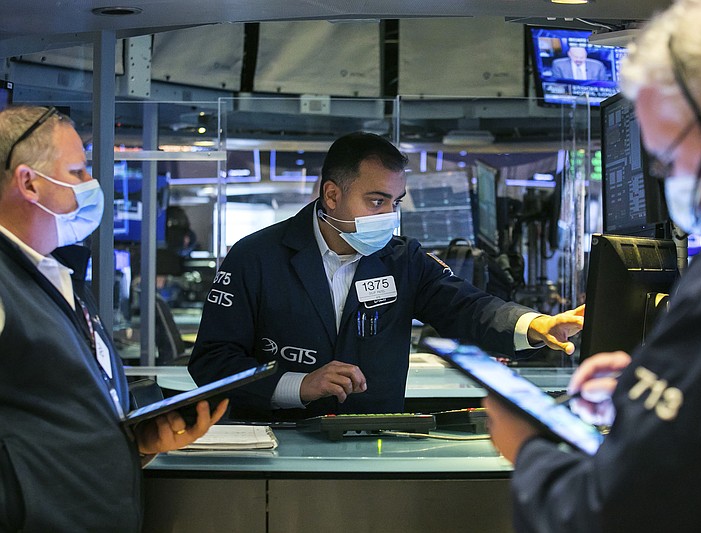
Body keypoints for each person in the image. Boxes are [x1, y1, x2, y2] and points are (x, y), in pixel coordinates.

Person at [482, 0, 701, 530]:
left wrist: (531, 445)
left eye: (668, 158)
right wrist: (674, 386)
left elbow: (616, 515)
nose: (666, 176)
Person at [189, 131, 584, 421]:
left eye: (394, 203)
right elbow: (212, 361)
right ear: (331, 195)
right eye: (376, 201)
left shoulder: (402, 259)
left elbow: (467, 307)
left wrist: (536, 324)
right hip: (279, 439)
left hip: (375, 440)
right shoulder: (255, 257)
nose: (388, 216)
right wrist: (298, 384)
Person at [0, 105, 228, 531]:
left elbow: (53, 418)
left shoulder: (59, 275)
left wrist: (132, 445)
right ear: (29, 182)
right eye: (78, 172)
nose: (92, 185)